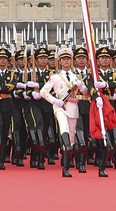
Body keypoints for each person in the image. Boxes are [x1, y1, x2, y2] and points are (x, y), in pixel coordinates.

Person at [40, 45, 87, 177]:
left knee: (71, 138)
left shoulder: (76, 77)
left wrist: (82, 87)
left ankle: (65, 168)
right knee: (64, 128)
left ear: (71, 61)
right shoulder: (55, 77)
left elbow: (86, 93)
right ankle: (65, 145)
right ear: (59, 61)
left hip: (73, 107)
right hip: (60, 106)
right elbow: (43, 92)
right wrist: (55, 101)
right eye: (63, 59)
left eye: (68, 59)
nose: (66, 61)